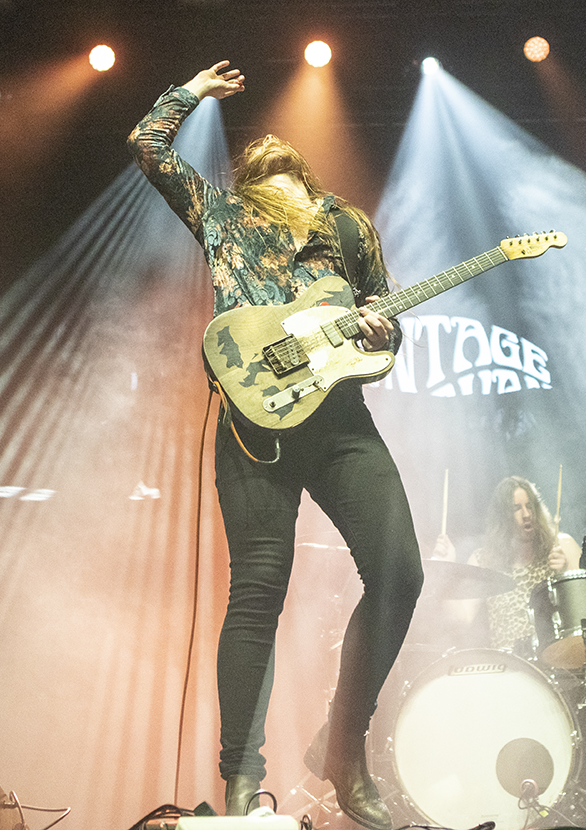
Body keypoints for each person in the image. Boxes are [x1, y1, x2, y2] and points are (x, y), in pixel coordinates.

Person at [129, 62, 423, 829]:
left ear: (302, 178)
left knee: (400, 571)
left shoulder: (346, 226)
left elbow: (385, 323)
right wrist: (191, 93)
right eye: (256, 164)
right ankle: (240, 783)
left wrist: (383, 331)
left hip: (339, 421)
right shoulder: (222, 212)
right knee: (256, 595)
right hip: (253, 424)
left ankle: (343, 745)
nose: (265, 161)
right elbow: (149, 146)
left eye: (280, 164)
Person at [466, 476, 581, 654]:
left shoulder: (562, 546)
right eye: (516, 508)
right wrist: (443, 565)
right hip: (508, 665)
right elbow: (460, 619)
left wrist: (565, 573)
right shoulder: (483, 560)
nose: (527, 514)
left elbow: (585, 612)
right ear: (502, 517)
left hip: (559, 659)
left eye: (530, 506)